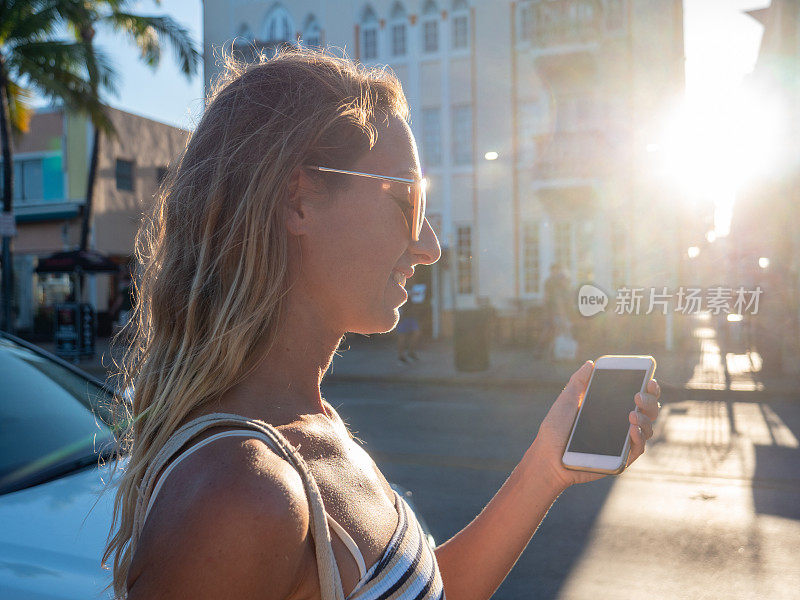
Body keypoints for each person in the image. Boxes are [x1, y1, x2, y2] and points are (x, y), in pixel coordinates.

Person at [101, 48, 661, 600]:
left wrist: (546, 467)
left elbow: (435, 590)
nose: (431, 246)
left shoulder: (306, 417)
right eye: (407, 202)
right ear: (297, 201)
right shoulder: (237, 496)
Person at [396, 280, 426, 364]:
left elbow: (416, 297)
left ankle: (411, 352)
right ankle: (401, 356)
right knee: (401, 337)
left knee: (416, 333)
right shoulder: (399, 287)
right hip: (402, 317)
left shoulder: (413, 288)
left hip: (411, 316)